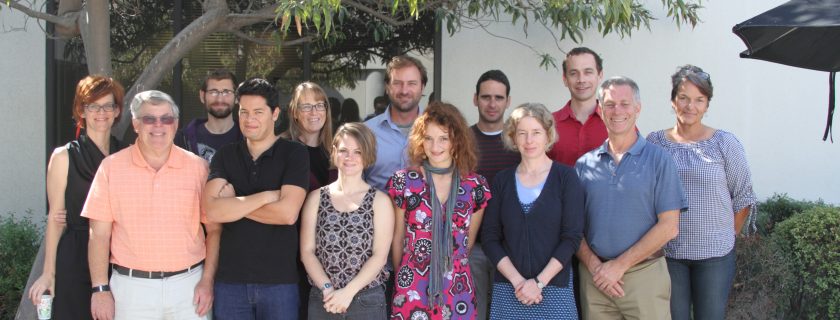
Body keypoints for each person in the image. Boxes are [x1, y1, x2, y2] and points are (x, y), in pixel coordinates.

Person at [84, 90, 219, 320]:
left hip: (188, 287)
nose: (159, 125)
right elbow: (98, 235)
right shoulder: (111, 168)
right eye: (149, 119)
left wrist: (207, 281)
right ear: (136, 124)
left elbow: (214, 230)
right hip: (132, 290)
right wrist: (100, 289)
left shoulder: (198, 168)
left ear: (175, 124)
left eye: (166, 118)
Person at [646, 65, 756, 320]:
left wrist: (728, 233)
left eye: (699, 100)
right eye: (683, 98)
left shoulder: (725, 144)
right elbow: (645, 195)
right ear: (673, 101)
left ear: (707, 104)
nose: (690, 106)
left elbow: (743, 197)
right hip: (670, 253)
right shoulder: (655, 144)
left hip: (714, 257)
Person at [575, 76, 687, 320]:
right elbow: (572, 228)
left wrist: (619, 266)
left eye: (625, 104)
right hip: (595, 280)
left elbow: (669, 227)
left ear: (638, 108)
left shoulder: (659, 161)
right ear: (600, 110)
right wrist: (597, 268)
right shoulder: (584, 165)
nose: (617, 111)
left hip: (644, 277)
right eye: (610, 104)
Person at [202, 78, 309, 319]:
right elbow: (212, 211)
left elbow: (287, 214)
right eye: (244, 112)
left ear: (275, 113)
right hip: (230, 282)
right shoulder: (225, 155)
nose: (250, 119)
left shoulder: (294, 154)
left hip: (279, 283)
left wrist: (234, 202)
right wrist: (267, 197)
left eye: (258, 112)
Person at [27, 76, 127, 320]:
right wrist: (48, 272)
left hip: (117, 255)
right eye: (93, 105)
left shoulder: (126, 156)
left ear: (117, 111)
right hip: (75, 255)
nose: (101, 112)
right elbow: (56, 218)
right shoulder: (64, 157)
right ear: (82, 110)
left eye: (108, 106)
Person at [387, 102, 491, 320]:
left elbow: (467, 243)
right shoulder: (404, 182)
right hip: (412, 284)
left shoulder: (475, 186)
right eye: (428, 138)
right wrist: (403, 279)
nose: (435, 146)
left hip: (457, 286)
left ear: (457, 140)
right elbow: (398, 238)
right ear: (419, 140)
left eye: (443, 138)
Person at [481, 103, 584, 319]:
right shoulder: (502, 181)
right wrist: (519, 282)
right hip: (510, 290)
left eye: (536, 132)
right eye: (522, 133)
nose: (529, 141)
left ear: (548, 135)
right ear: (513, 137)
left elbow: (572, 237)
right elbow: (490, 238)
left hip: (554, 289)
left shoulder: (566, 178)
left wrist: (539, 283)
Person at [300, 123, 394, 319]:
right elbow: (307, 252)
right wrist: (328, 290)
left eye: (358, 152)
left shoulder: (380, 201)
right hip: (324, 299)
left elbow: (380, 256)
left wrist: (347, 293)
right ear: (334, 152)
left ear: (368, 156)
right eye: (343, 150)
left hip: (366, 301)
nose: (350, 157)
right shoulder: (316, 198)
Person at [468, 69, 521, 320]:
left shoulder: (520, 142)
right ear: (475, 99)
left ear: (508, 101)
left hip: (511, 247)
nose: (492, 103)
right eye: (486, 97)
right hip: (471, 247)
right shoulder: (462, 140)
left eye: (499, 98)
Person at [364, 55, 427, 191]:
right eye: (397, 83)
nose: (404, 90)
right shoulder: (365, 132)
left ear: (422, 87)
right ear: (387, 87)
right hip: (376, 210)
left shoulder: (439, 132)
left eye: (412, 83)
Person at [548, 47, 608, 167]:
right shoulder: (547, 124)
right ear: (565, 79)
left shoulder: (617, 121)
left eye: (588, 72)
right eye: (574, 73)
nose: (581, 80)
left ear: (600, 75)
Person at [175, 69, 243, 162]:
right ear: (203, 96)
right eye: (213, 92)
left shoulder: (249, 138)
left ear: (237, 97)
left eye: (226, 92)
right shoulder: (182, 140)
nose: (220, 99)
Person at [281, 81, 335, 190]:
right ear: (295, 112)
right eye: (306, 106)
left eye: (319, 105)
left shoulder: (336, 150)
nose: (314, 112)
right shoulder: (281, 149)